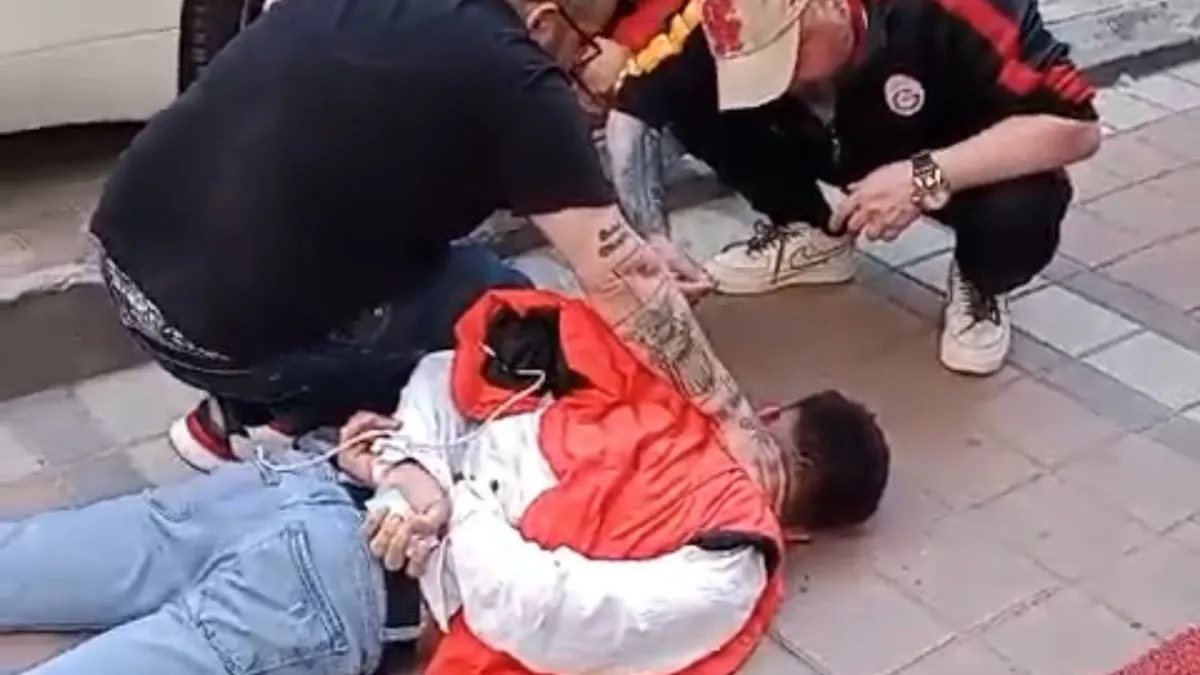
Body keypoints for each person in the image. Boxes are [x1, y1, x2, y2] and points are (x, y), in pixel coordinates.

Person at [0, 288, 892, 675]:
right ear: (804, 529)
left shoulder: (677, 439)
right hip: (336, 557)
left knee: (36, 556)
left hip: (321, 518)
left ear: (773, 414)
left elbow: (455, 378)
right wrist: (411, 474)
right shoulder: (726, 556)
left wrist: (421, 480)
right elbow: (532, 604)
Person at [91, 0, 776, 487]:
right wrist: (737, 426)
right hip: (216, 335)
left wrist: (634, 238)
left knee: (457, 268)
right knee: (518, 337)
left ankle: (238, 409)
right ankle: (307, 429)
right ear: (544, 23)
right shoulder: (517, 79)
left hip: (126, 259)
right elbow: (621, 280)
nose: (591, 75)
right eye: (591, 48)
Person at [596, 0, 1102, 376]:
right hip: (839, 140)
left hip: (952, 157)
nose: (780, 83)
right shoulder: (717, 13)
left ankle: (981, 283)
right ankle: (810, 230)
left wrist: (922, 177)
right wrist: (650, 237)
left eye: (790, 58)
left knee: (1025, 201)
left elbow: (1077, 126)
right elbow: (633, 109)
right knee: (692, 93)